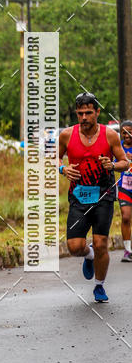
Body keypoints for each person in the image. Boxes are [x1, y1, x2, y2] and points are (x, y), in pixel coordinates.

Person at [58, 93, 129, 303]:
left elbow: (125, 162)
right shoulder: (67, 135)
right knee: (74, 246)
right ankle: (88, 256)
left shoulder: (110, 136)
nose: (84, 117)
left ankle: (99, 286)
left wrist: (113, 165)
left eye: (88, 112)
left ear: (97, 112)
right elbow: (52, 158)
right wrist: (63, 168)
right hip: (78, 196)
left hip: (104, 194)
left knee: (101, 243)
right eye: (80, 113)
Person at [116, 120, 132, 262]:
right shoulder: (118, 147)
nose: (127, 135)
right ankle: (128, 251)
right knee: (126, 217)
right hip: (124, 187)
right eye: (124, 132)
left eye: (130, 132)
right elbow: (112, 163)